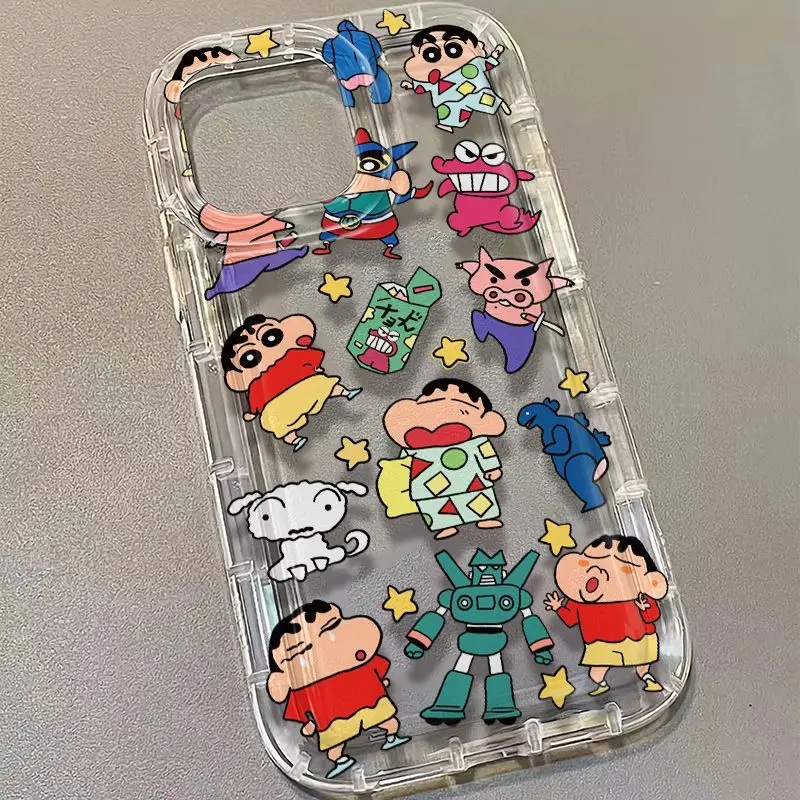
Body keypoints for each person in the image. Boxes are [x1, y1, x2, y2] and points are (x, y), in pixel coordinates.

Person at [267, 601, 410, 778]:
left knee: (387, 721)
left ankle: (391, 737)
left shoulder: (360, 665)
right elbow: (302, 710)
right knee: (335, 744)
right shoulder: (304, 689)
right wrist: (310, 724)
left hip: (370, 702)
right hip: (332, 721)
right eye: (301, 652)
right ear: (282, 677)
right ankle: (340, 760)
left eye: (332, 627)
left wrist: (382, 682)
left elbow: (377, 671)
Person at [380, 378, 506, 539]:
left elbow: (485, 453)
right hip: (427, 485)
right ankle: (445, 525)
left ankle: (485, 518)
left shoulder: (476, 441)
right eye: (429, 407)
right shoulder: (414, 448)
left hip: (471, 480)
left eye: (463, 411)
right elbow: (403, 464)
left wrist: (492, 468)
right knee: (434, 506)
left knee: (478, 499)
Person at [544, 535, 668, 695]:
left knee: (642, 666)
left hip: (638, 639)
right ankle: (602, 685)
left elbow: (653, 616)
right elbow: (570, 619)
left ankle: (648, 679)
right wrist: (558, 607)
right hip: (600, 644)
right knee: (595, 674)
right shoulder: (580, 601)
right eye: (588, 563)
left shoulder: (638, 596)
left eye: (623, 569)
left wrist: (644, 608)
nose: (599, 572)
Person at [221, 314, 360, 452]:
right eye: (249, 359)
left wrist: (252, 413)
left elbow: (255, 401)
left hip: (293, 398)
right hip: (289, 400)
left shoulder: (291, 357)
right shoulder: (261, 381)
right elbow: (255, 399)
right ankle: (344, 393)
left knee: (282, 423)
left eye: (272, 337)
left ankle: (294, 439)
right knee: (324, 385)